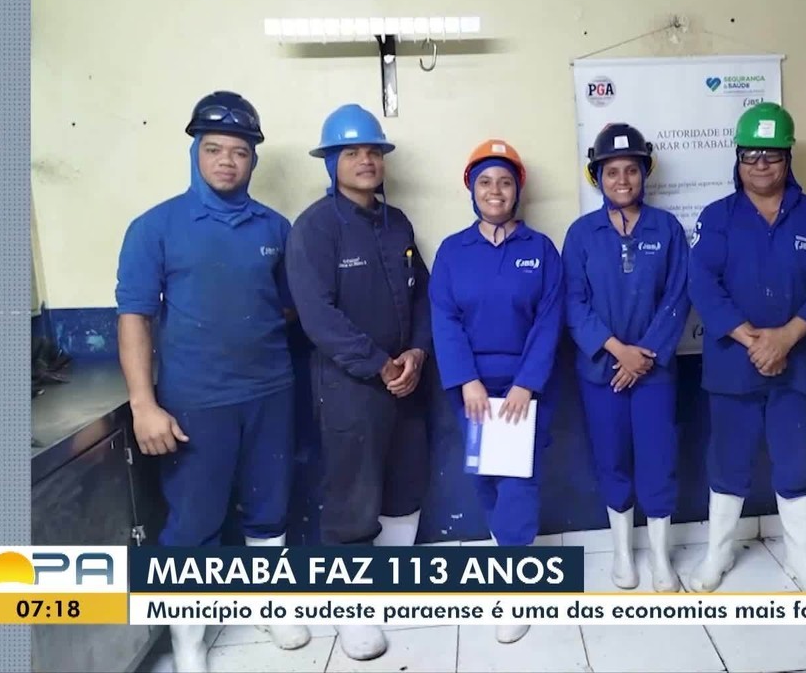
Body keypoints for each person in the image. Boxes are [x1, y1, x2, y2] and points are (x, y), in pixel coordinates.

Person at [114, 90, 311, 673]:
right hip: (195, 402)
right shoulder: (155, 227)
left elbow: (293, 305)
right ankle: (189, 643)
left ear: (253, 160)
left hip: (271, 393)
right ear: (196, 152)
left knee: (269, 509)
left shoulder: (275, 228)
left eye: (240, 151)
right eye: (214, 149)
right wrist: (143, 404)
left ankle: (272, 605)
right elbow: (134, 318)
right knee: (193, 524)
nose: (227, 161)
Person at [283, 103, 433, 661]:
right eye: (352, 152)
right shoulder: (315, 228)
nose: (366, 160)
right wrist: (379, 364)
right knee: (353, 500)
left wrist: (416, 353)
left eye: (373, 151)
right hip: (350, 388)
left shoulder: (399, 224)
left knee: (405, 485)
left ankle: (388, 590)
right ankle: (353, 612)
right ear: (331, 163)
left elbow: (423, 296)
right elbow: (318, 316)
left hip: (406, 381)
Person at [685, 101, 806, 594]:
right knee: (727, 462)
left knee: (797, 462)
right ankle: (717, 556)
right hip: (733, 364)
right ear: (738, 159)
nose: (760, 164)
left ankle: (801, 562)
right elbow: (702, 283)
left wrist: (786, 337)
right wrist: (750, 338)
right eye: (751, 155)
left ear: (788, 157)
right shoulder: (717, 217)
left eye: (772, 154)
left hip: (797, 364)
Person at [428, 139, 564, 645]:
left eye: (505, 182)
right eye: (485, 181)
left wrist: (527, 383)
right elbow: (444, 319)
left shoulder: (541, 250)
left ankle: (514, 588)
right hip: (471, 390)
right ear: (471, 188)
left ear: (517, 190)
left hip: (526, 388)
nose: (495, 191)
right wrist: (467, 380)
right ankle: (509, 559)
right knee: (487, 480)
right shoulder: (452, 252)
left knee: (517, 483)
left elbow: (549, 321)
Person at [561, 123, 690, 592]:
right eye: (611, 171)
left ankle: (660, 558)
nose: (622, 180)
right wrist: (618, 351)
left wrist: (644, 356)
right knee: (611, 458)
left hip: (654, 372)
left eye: (631, 170)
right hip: (602, 371)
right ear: (597, 176)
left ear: (644, 173)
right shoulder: (581, 234)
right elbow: (573, 302)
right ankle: (622, 554)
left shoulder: (667, 229)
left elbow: (677, 296)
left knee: (658, 458)